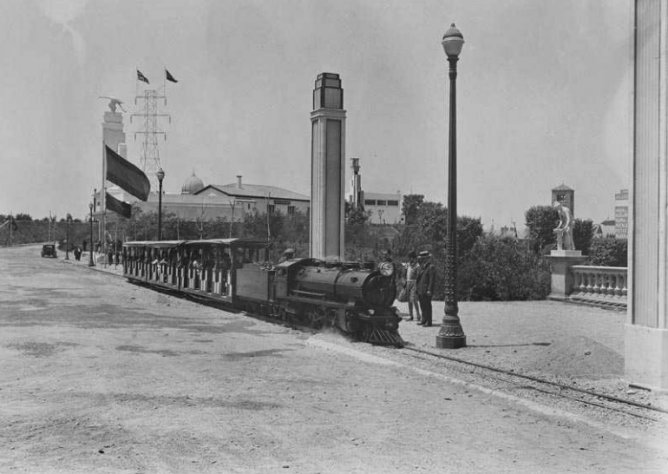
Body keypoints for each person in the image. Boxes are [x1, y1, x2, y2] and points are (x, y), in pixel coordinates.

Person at [415, 250, 435, 327]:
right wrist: (417, 288)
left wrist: (429, 289)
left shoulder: (430, 267)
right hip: (420, 289)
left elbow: (431, 279)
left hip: (426, 289)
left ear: (427, 258)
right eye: (421, 258)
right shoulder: (421, 267)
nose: (422, 259)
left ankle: (429, 321)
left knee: (427, 305)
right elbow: (418, 279)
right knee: (422, 305)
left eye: (424, 258)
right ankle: (423, 319)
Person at [404, 251, 422, 323]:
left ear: (414, 258)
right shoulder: (408, 265)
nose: (410, 259)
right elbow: (405, 273)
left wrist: (417, 284)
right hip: (408, 282)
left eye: (411, 258)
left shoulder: (417, 265)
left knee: (414, 299)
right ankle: (411, 315)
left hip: (414, 282)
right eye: (409, 258)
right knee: (409, 300)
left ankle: (418, 315)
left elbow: (418, 276)